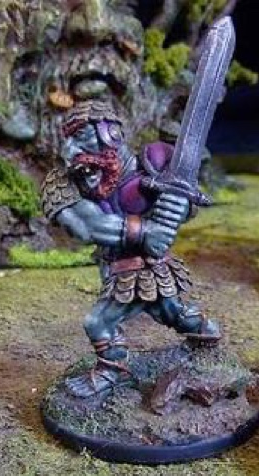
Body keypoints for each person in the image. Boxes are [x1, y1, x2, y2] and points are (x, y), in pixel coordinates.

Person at [41, 100, 220, 398]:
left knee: (99, 322)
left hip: (140, 268)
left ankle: (112, 372)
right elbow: (88, 226)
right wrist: (145, 231)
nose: (70, 150)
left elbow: (186, 208)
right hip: (118, 264)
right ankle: (208, 336)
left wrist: (178, 206)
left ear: (109, 133)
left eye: (82, 136)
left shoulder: (153, 166)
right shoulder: (69, 181)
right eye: (68, 139)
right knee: (172, 312)